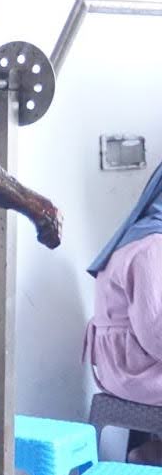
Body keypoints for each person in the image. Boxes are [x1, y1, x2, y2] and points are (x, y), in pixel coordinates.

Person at [84, 162, 162, 426]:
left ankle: (150, 454)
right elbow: (155, 335)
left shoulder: (143, 237)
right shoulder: (152, 247)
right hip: (135, 370)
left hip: (130, 364)